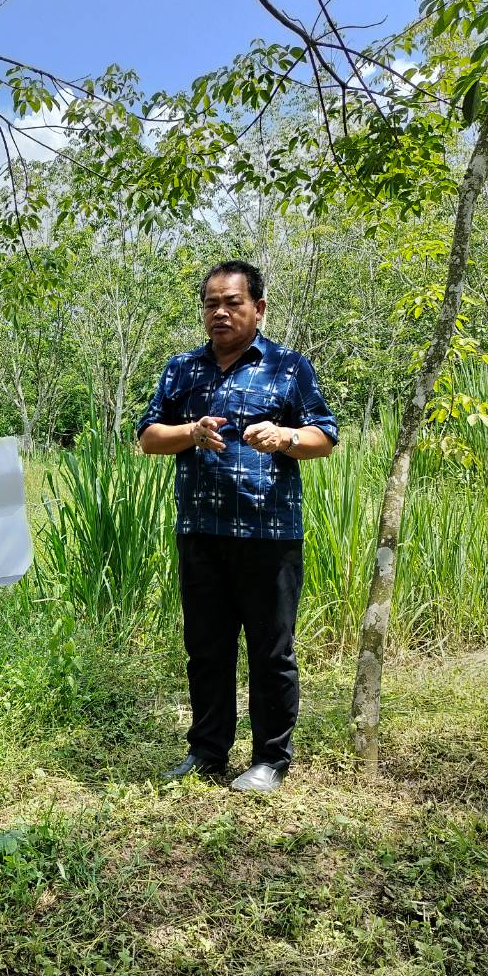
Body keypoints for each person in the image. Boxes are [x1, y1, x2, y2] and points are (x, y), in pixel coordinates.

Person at [138, 260, 337, 794]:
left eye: (232, 303)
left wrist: (287, 438)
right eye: (211, 304)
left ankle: (270, 759)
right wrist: (191, 432)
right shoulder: (182, 369)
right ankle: (206, 752)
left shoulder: (288, 367)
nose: (220, 313)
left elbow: (325, 435)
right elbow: (149, 437)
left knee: (271, 650)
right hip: (201, 531)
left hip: (269, 535)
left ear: (258, 308)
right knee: (206, 647)